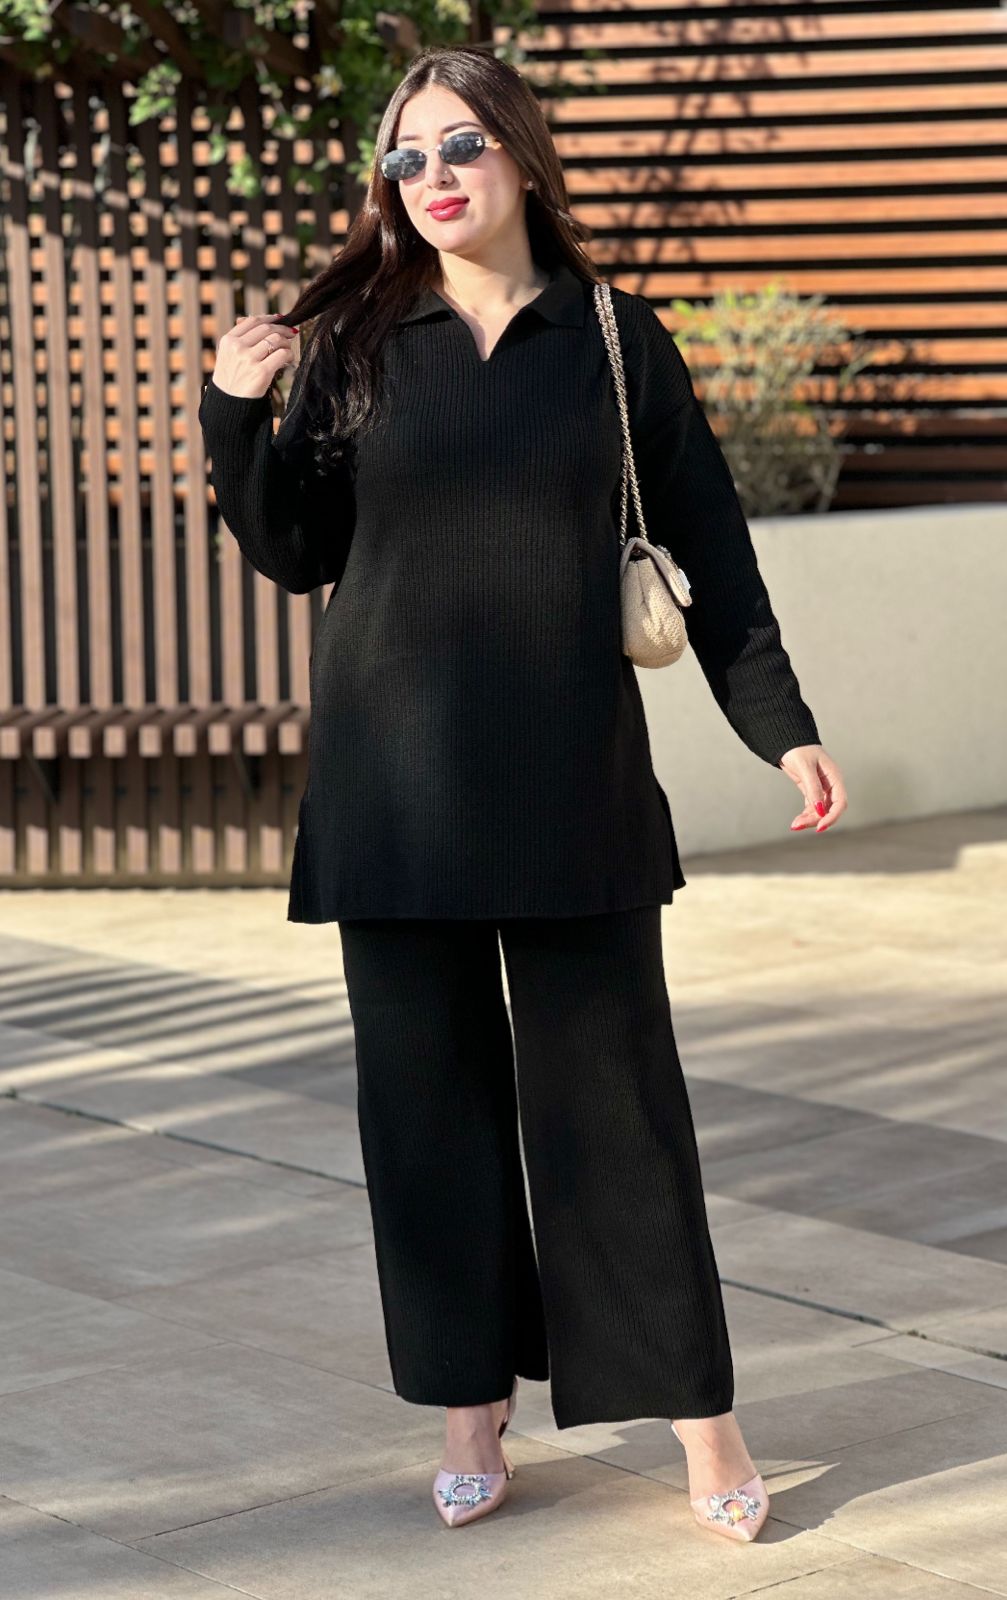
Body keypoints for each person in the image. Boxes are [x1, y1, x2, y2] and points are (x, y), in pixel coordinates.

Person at [199, 44, 847, 1541]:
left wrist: (782, 729)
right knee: (427, 1123)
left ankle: (702, 1423)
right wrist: (237, 414)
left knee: (619, 1117)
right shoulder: (354, 341)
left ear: (522, 156)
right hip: (393, 798)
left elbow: (710, 545)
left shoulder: (614, 340)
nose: (432, 178)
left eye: (460, 147)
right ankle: (469, 1407)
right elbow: (296, 551)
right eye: (407, 157)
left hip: (572, 786)